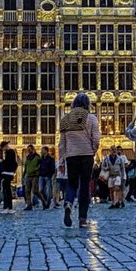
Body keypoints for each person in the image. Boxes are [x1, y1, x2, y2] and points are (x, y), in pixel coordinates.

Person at [59, 93, 101, 228]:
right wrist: (93, 151)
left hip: (71, 155)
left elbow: (62, 143)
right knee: (84, 186)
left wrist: (61, 159)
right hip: (86, 155)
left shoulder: (66, 119)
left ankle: (68, 203)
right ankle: (82, 218)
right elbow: (96, 138)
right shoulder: (91, 118)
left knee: (71, 184)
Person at [0, 142, 18, 212]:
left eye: (3, 148)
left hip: (8, 172)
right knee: (5, 189)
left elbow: (9, 162)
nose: (3, 150)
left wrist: (2, 161)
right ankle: (7, 206)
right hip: (8, 172)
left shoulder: (10, 152)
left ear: (5, 146)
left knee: (7, 190)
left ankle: (9, 207)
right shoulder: (8, 152)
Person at [22, 145, 41, 210]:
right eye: (28, 149)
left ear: (33, 149)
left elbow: (40, 166)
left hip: (35, 176)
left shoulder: (37, 157)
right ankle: (29, 204)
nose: (28, 151)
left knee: (35, 191)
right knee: (27, 191)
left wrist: (37, 170)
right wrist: (24, 174)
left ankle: (44, 201)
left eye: (30, 149)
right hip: (28, 176)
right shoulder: (28, 157)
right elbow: (26, 166)